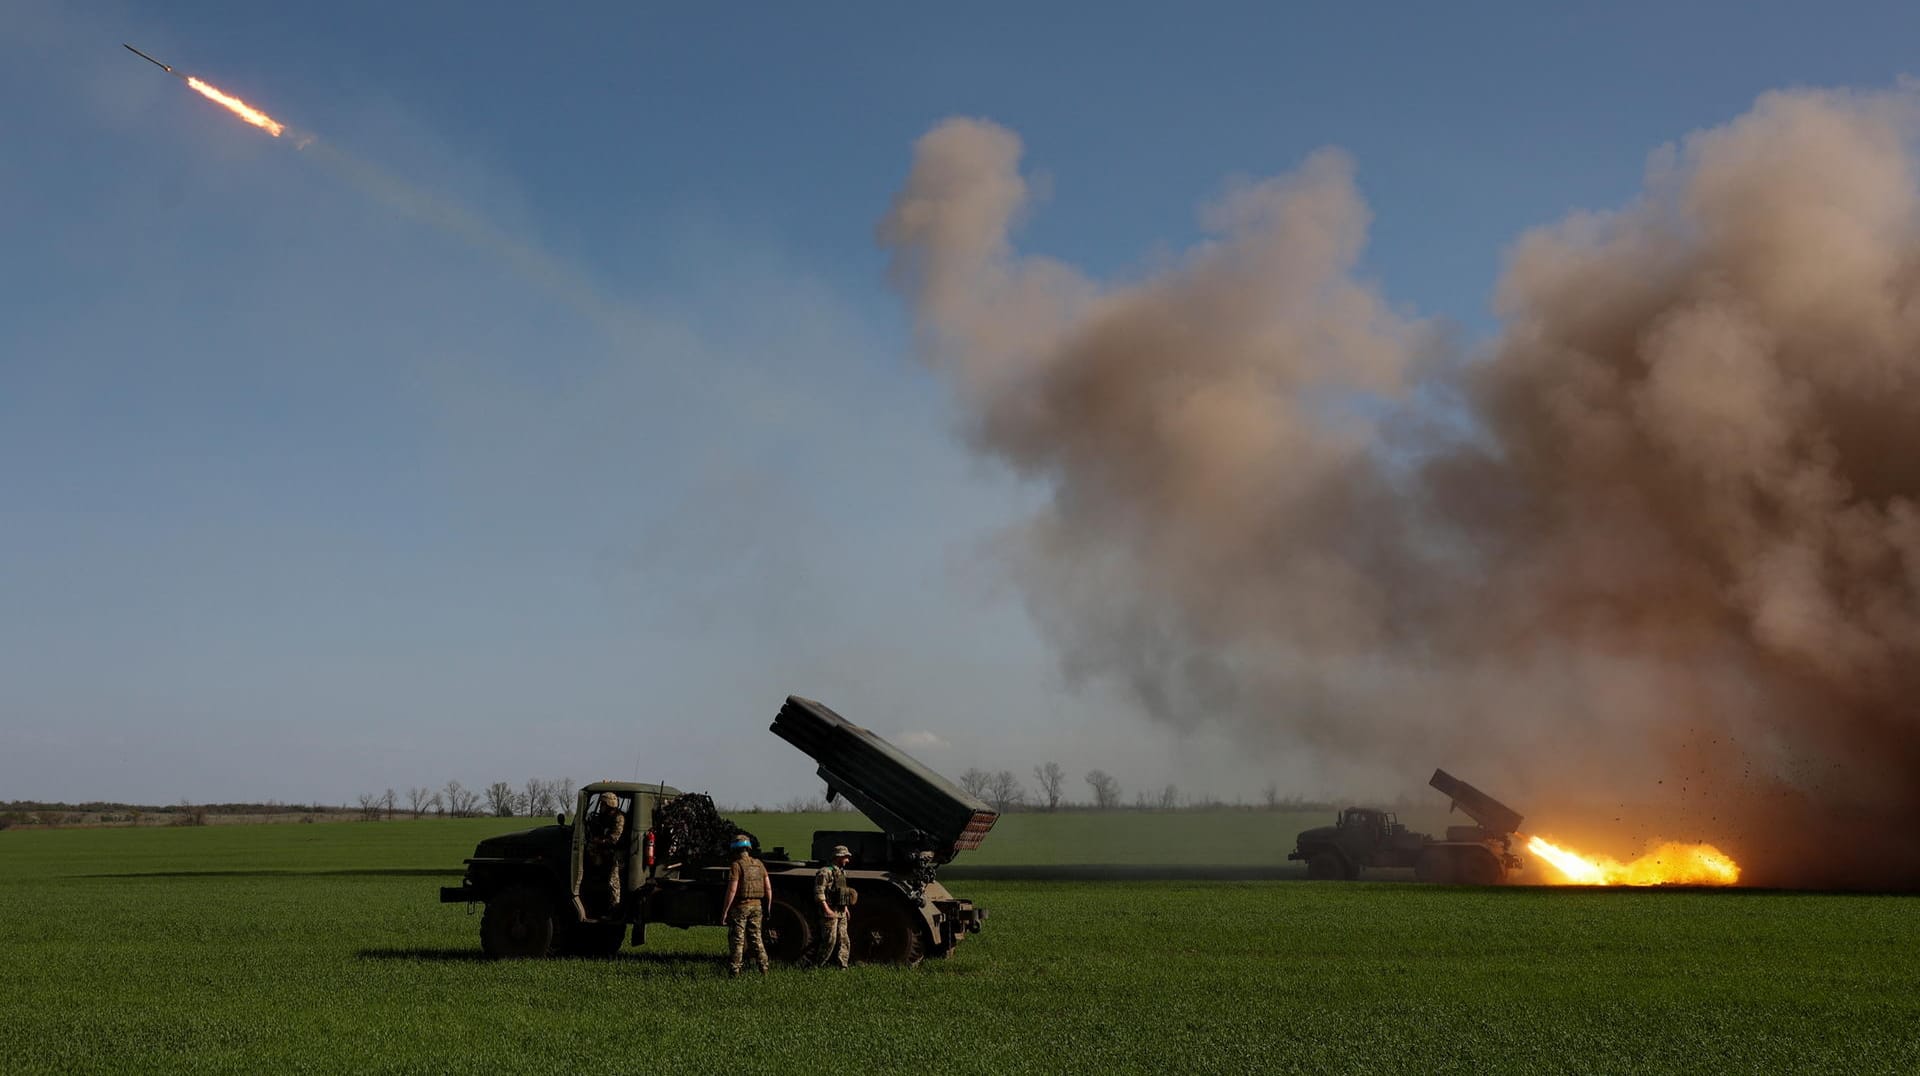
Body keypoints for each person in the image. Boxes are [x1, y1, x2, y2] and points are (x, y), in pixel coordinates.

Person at [720, 834, 770, 976]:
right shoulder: (759, 864)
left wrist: (725, 911)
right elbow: (768, 888)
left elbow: (732, 890)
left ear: (734, 850)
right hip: (757, 906)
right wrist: (768, 905)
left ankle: (735, 971)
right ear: (748, 848)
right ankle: (764, 969)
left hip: (741, 907)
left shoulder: (736, 865)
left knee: (738, 939)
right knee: (756, 938)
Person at [813, 843, 856, 969]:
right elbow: (819, 892)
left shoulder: (842, 873)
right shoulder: (825, 872)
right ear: (838, 857)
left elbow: (843, 891)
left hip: (841, 910)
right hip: (830, 910)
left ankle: (843, 965)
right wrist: (826, 908)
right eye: (845, 857)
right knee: (829, 940)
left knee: (844, 939)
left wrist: (846, 908)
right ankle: (818, 965)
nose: (847, 860)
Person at [584, 791, 625, 912]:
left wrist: (599, 841)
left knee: (613, 882)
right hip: (608, 850)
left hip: (617, 853)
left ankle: (614, 909)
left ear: (608, 805)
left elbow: (614, 838)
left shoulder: (619, 818)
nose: (601, 807)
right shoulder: (606, 817)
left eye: (602, 804)